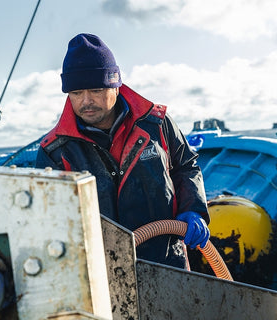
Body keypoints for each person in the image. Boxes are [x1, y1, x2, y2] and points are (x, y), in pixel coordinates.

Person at [35, 33, 210, 269]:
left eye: (96, 90)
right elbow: (48, 220)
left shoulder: (156, 123)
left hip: (168, 263)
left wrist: (194, 210)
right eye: (76, 93)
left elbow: (186, 166)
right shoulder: (54, 151)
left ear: (115, 85)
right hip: (100, 272)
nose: (86, 101)